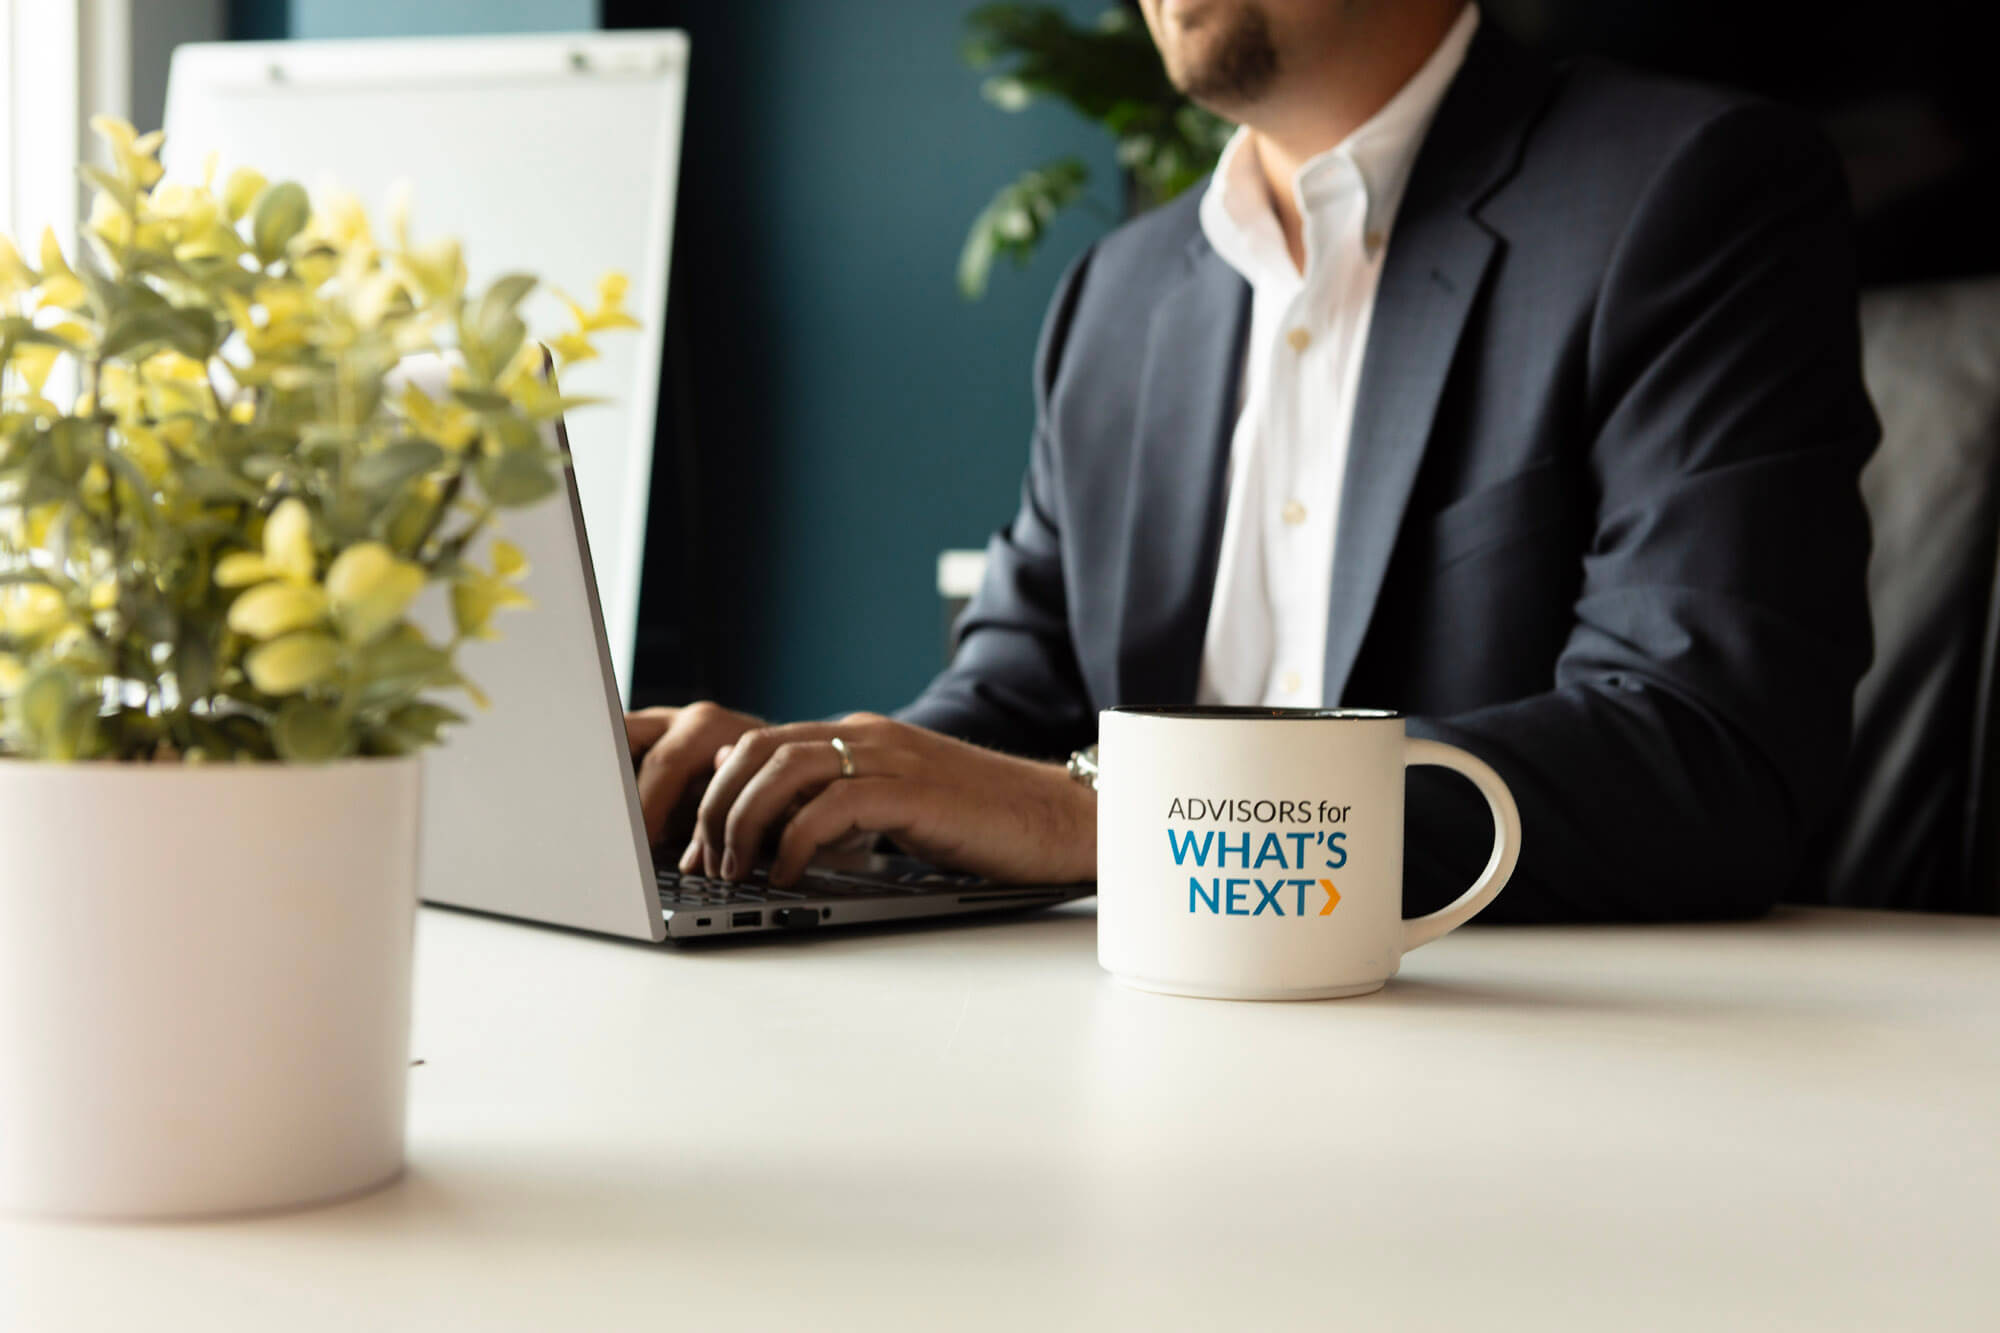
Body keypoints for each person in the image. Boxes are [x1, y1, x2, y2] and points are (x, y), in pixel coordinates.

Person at [625, 0, 1877, 922]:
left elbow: (1702, 753)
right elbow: (1009, 707)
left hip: (1527, 1074)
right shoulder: (1118, 297)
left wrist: (1122, 819)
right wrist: (808, 797)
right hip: (1137, 1050)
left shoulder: (1688, 195)